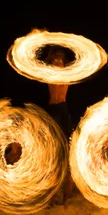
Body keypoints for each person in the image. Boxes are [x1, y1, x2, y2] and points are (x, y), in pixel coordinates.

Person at [45, 47, 75, 205]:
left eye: (60, 59)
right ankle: (51, 196)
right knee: (53, 151)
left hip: (62, 108)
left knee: (68, 147)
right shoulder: (49, 72)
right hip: (54, 109)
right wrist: (50, 56)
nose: (57, 62)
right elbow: (42, 65)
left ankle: (65, 195)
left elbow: (78, 64)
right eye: (55, 60)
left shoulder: (68, 72)